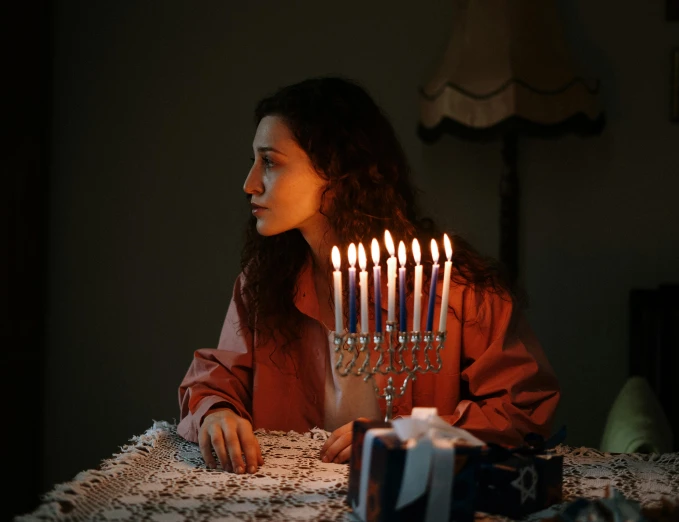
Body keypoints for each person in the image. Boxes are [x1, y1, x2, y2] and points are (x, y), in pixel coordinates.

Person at [177, 77, 560, 475]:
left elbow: (522, 407)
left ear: (335, 169)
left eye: (270, 161)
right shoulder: (264, 284)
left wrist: (416, 433)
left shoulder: (452, 288)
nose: (249, 183)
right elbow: (218, 377)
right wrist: (217, 413)